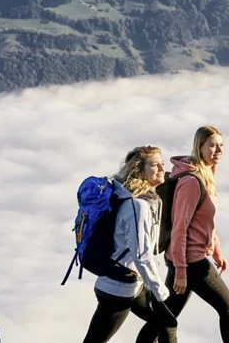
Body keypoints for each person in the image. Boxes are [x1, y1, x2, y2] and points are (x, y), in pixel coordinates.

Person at [82, 146, 180, 342]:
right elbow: (142, 255)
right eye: (154, 165)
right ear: (139, 171)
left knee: (167, 325)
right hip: (117, 289)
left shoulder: (147, 200)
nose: (162, 168)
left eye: (162, 163)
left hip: (133, 284)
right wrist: (160, 289)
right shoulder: (137, 205)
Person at [163, 126, 229, 343]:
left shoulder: (206, 174)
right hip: (190, 261)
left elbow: (205, 221)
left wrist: (216, 250)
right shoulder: (191, 182)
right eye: (212, 145)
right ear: (199, 147)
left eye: (221, 145)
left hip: (188, 257)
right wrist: (181, 270)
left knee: (166, 316)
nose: (218, 150)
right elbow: (180, 227)